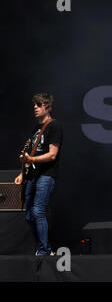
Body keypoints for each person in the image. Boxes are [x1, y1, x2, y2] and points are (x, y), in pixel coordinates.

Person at [14, 93, 63, 256]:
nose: (35, 107)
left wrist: (32, 158)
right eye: (34, 104)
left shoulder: (54, 126)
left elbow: (52, 154)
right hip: (32, 176)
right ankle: (43, 247)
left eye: (39, 104)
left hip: (46, 175)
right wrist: (24, 170)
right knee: (28, 216)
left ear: (47, 107)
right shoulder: (36, 129)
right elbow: (30, 157)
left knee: (38, 212)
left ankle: (44, 250)